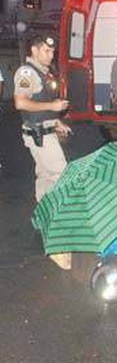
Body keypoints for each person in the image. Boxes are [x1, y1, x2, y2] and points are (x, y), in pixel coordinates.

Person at [13, 34, 71, 270]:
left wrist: (57, 121)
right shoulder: (27, 73)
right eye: (46, 51)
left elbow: (40, 104)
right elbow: (21, 102)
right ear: (35, 51)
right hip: (40, 138)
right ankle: (59, 243)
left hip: (44, 132)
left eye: (52, 52)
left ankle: (43, 217)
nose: (51, 55)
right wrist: (53, 107)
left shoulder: (42, 73)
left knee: (46, 178)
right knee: (63, 179)